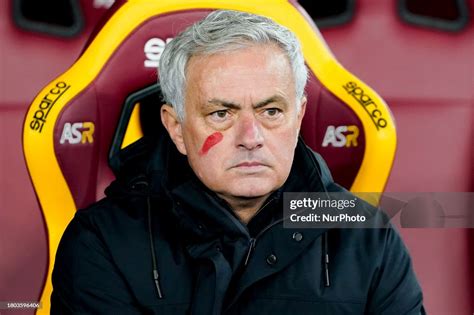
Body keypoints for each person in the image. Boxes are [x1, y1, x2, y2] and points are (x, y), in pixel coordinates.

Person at [51, 10, 425, 314]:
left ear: (298, 118)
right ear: (176, 128)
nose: (251, 137)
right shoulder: (101, 241)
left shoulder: (367, 235)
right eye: (221, 114)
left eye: (272, 111)